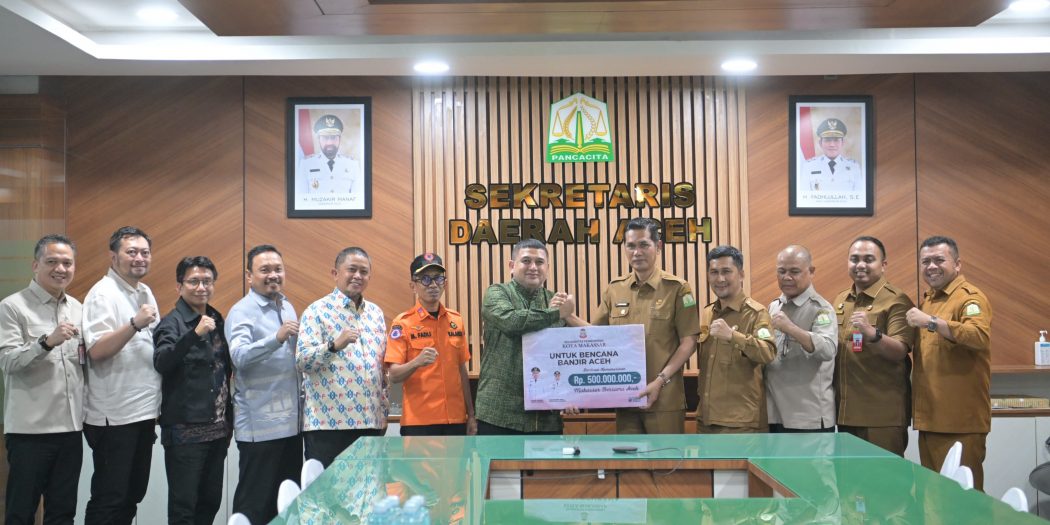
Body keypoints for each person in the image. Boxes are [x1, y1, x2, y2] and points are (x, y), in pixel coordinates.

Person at [0, 235, 84, 525]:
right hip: (30, 433)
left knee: (63, 513)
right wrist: (46, 342)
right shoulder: (12, 307)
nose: (60, 268)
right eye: (52, 262)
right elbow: (8, 362)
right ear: (35, 265)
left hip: (71, 429)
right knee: (21, 513)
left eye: (67, 263)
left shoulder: (78, 308)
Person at [81, 226, 161, 525]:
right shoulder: (102, 294)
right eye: (132, 252)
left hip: (143, 412)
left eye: (145, 252)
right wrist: (134, 324)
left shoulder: (144, 291)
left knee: (132, 494)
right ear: (114, 257)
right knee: (109, 497)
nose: (140, 258)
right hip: (113, 417)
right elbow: (97, 350)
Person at [592, 217, 700, 434]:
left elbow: (689, 342)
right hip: (626, 400)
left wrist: (660, 381)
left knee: (665, 456)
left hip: (665, 400)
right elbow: (595, 336)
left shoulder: (677, 289)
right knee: (629, 456)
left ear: (658, 246)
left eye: (644, 245)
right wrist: (569, 316)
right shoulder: (614, 289)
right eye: (631, 246)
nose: (637, 252)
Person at [906, 236, 992, 490]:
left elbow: (978, 335)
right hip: (930, 419)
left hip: (959, 421)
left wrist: (931, 322)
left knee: (963, 497)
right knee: (934, 496)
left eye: (939, 260)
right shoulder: (930, 300)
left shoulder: (970, 298)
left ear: (957, 264)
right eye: (925, 261)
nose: (931, 266)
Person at [225, 245, 302, 524]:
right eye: (265, 270)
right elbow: (239, 356)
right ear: (249, 276)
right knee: (254, 506)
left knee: (286, 507)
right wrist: (276, 338)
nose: (273, 275)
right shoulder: (242, 311)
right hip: (260, 429)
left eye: (278, 269)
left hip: (291, 426)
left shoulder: (287, 306)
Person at [153, 256, 232, 525]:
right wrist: (194, 334)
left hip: (218, 431)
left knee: (209, 503)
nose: (201, 287)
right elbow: (162, 362)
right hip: (185, 433)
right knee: (183, 509)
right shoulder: (171, 323)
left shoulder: (216, 317)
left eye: (207, 281)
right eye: (194, 281)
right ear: (179, 286)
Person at [474, 238, 578, 435]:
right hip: (499, 414)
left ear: (547, 268)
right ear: (512, 266)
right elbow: (513, 321)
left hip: (546, 418)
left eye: (539, 262)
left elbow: (568, 354)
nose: (533, 267)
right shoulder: (496, 293)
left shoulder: (556, 301)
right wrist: (556, 313)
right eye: (526, 261)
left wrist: (570, 394)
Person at [297, 247, 387, 466]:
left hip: (370, 423)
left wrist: (382, 412)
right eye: (352, 269)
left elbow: (381, 369)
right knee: (327, 488)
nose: (358, 276)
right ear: (335, 273)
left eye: (363, 272)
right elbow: (302, 361)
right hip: (328, 425)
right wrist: (334, 346)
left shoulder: (375, 313)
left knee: (369, 486)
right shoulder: (316, 311)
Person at [832, 236, 915, 456]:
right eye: (854, 259)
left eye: (869, 259)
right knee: (849, 476)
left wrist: (873, 334)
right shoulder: (841, 300)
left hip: (881, 414)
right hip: (846, 412)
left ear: (883, 264)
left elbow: (900, 350)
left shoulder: (896, 300)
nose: (860, 265)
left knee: (883, 476)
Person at [385, 252, 476, 436]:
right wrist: (416, 362)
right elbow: (393, 375)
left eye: (438, 278)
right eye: (425, 279)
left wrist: (471, 415)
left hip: (456, 420)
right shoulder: (403, 323)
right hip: (420, 423)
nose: (433, 285)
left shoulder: (456, 320)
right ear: (413, 286)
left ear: (445, 283)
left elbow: (461, 371)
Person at [696, 245, 776, 434]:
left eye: (726, 271)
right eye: (714, 272)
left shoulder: (757, 313)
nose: (720, 279)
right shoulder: (708, 313)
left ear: (741, 275)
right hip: (706, 420)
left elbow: (768, 352)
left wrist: (733, 336)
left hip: (741, 424)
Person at [765, 245, 838, 433]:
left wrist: (791, 328)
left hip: (808, 417)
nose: (787, 277)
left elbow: (828, 349)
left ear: (811, 271)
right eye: (781, 271)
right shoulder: (774, 307)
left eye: (794, 271)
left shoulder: (821, 309)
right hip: (775, 414)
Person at [297, 114, 364, 195]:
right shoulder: (306, 164)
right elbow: (301, 198)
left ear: (339, 139)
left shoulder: (353, 165)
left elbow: (357, 199)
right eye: (325, 138)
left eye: (333, 137)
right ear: (318, 139)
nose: (329, 142)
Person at [801, 118, 862, 193]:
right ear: (820, 143)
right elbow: (804, 196)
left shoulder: (854, 167)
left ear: (843, 143)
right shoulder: (809, 166)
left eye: (836, 140)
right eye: (827, 140)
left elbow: (859, 196)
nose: (832, 145)